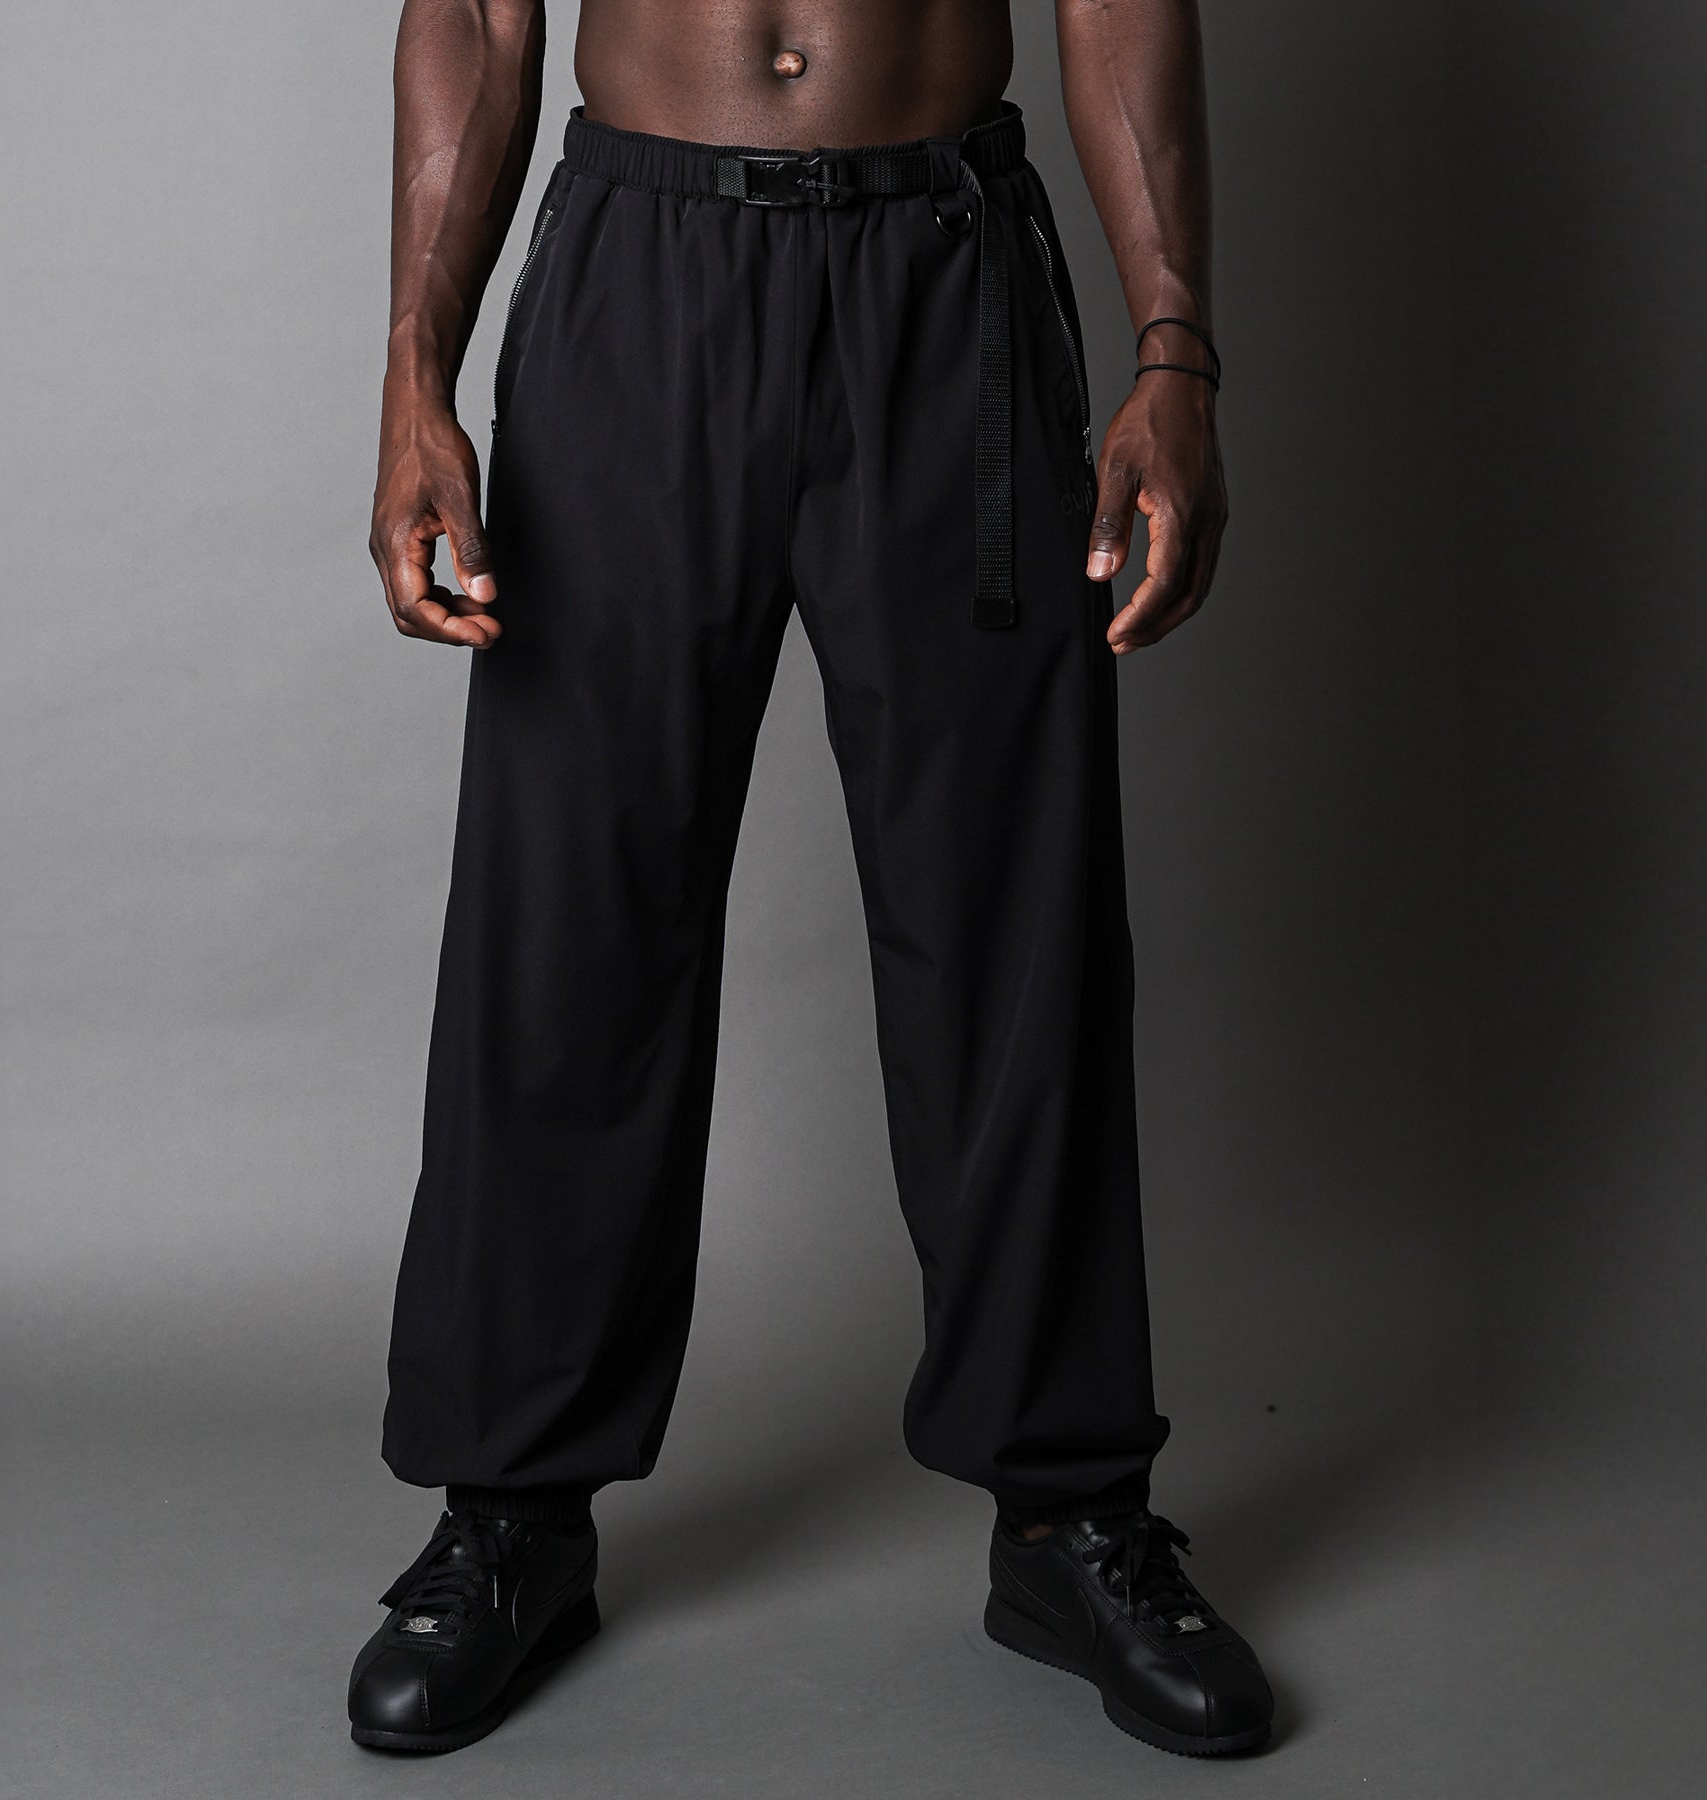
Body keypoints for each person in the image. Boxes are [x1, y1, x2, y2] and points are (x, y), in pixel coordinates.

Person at [348, 0, 1268, 1760]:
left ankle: (1068, 1515)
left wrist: (1177, 353)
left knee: (1013, 924)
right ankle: (513, 1511)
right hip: (641, 270)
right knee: (568, 923)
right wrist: (415, 371)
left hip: (941, 275)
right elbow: (473, 10)